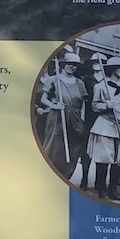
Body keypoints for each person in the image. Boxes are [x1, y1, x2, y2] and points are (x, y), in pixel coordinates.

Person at [36, 49, 91, 187]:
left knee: (74, 150)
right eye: (69, 64)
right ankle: (49, 179)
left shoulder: (79, 83)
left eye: (74, 65)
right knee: (55, 148)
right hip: (58, 117)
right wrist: (54, 105)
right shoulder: (54, 80)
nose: (71, 67)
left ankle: (65, 178)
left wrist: (82, 119)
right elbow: (44, 99)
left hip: (76, 118)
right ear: (63, 64)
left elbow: (83, 103)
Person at [87, 55, 120, 202]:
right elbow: (94, 106)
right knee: (104, 158)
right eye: (119, 68)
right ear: (111, 70)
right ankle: (102, 190)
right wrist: (106, 105)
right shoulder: (101, 86)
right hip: (105, 125)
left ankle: (113, 189)